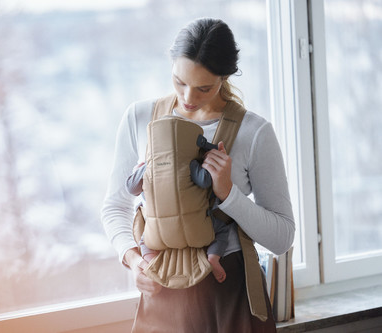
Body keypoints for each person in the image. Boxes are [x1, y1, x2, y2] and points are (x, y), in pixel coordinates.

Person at [101, 17, 295, 332]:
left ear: (225, 77)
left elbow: (282, 238)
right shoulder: (139, 118)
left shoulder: (254, 132)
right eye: (180, 81)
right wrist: (134, 261)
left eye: (204, 87)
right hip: (162, 294)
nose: (188, 97)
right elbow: (115, 206)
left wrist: (228, 194)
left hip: (230, 294)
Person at [125, 131, 229, 283]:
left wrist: (138, 171)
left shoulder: (150, 164)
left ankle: (151, 264)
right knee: (222, 230)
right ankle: (213, 259)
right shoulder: (190, 163)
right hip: (194, 224)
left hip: (158, 229)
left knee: (145, 242)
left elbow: (131, 188)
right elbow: (206, 182)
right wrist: (206, 162)